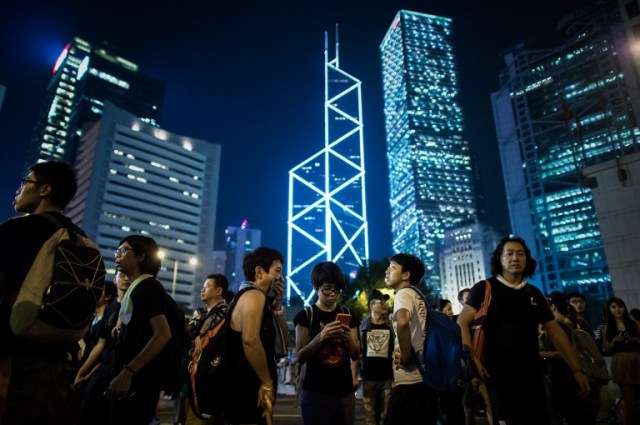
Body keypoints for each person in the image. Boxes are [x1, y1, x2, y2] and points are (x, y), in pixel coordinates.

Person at [457, 236, 590, 425]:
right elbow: (461, 323)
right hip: (497, 375)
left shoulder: (534, 293)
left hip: (533, 375)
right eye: (509, 253)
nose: (515, 258)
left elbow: (555, 331)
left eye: (520, 254)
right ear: (499, 259)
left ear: (526, 259)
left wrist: (576, 369)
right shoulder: (485, 288)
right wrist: (473, 359)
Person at [0, 161, 85, 423]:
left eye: (26, 182)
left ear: (45, 189)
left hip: (14, 358)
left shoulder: (17, 230)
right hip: (61, 361)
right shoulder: (79, 237)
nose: (19, 189)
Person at [107, 235, 173, 424]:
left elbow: (163, 333)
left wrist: (128, 372)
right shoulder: (137, 288)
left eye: (123, 250)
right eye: (116, 251)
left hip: (137, 384)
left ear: (141, 256)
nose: (117, 255)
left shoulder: (147, 287)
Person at [223, 247, 287, 425]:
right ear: (259, 271)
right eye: (277, 271)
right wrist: (266, 382)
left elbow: (282, 339)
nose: (280, 278)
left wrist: (277, 304)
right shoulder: (254, 296)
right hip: (248, 387)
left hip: (246, 387)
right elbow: (250, 339)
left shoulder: (258, 299)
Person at [294, 261, 360, 425]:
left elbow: (355, 353)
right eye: (327, 289)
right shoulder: (306, 316)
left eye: (337, 290)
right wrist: (320, 337)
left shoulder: (347, 313)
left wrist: (347, 338)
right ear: (316, 288)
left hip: (344, 391)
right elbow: (300, 357)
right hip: (315, 392)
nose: (333, 294)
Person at [383, 253, 438, 425]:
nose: (386, 271)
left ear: (405, 275)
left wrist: (406, 356)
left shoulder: (403, 293)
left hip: (410, 379)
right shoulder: (419, 296)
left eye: (392, 267)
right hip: (426, 377)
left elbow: (403, 322)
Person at [75, 272, 131, 424]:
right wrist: (82, 372)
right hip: (103, 369)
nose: (126, 278)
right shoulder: (110, 307)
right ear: (115, 280)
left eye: (128, 275)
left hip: (117, 370)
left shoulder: (133, 307)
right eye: (121, 275)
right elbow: (101, 344)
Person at [541, 291, 598, 425]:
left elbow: (562, 352)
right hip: (581, 374)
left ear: (553, 307)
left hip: (565, 378)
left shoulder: (557, 328)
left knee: (574, 416)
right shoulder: (574, 323)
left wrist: (545, 354)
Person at [185, 273, 229, 424]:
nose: (202, 290)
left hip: (212, 382)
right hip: (196, 378)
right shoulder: (201, 314)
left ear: (218, 291)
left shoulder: (226, 315)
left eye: (207, 286)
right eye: (203, 286)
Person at [602, 297, 640, 425]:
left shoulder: (634, 324)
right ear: (609, 309)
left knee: (632, 405)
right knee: (631, 402)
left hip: (637, 359)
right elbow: (606, 349)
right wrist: (614, 341)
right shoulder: (607, 327)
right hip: (621, 362)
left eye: (620, 306)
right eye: (613, 307)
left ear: (624, 307)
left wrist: (635, 340)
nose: (617, 310)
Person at [359, 289, 394, 425]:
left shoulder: (391, 326)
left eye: (386, 301)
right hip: (368, 379)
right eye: (381, 301)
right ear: (372, 305)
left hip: (388, 379)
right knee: (370, 419)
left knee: (387, 417)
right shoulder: (362, 326)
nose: (385, 304)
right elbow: (357, 352)